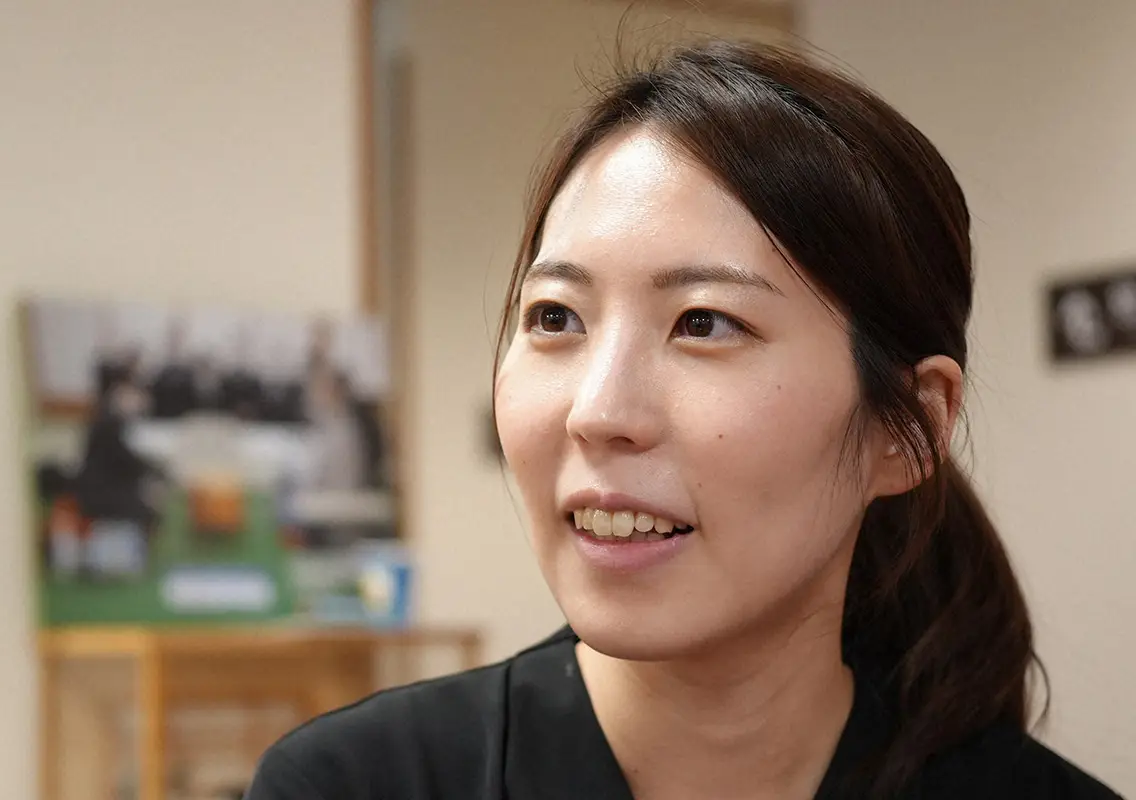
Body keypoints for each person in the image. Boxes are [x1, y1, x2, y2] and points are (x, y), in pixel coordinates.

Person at [244, 41, 1122, 799]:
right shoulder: (353, 783)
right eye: (555, 316)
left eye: (704, 323)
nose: (598, 412)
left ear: (908, 430)